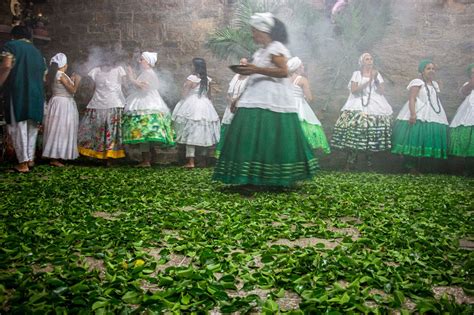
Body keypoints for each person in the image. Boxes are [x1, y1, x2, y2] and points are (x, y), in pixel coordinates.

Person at [213, 12, 318, 187]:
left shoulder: (276, 48)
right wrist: (237, 98)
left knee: (267, 137)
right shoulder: (261, 51)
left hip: (272, 100)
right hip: (254, 98)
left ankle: (272, 178)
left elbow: (284, 72)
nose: (253, 34)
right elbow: (253, 77)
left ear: (264, 31)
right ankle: (250, 177)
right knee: (250, 136)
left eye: (255, 31)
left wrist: (256, 69)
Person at [331, 52, 393, 169]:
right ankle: (350, 163)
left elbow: (381, 91)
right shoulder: (357, 74)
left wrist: (375, 80)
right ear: (362, 62)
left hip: (375, 105)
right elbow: (354, 90)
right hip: (357, 103)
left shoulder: (377, 74)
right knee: (355, 131)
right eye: (367, 59)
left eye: (371, 59)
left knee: (371, 132)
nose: (370, 61)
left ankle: (369, 164)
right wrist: (368, 81)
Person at [0, 26, 46, 173]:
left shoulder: (11, 46)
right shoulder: (38, 52)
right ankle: (30, 159)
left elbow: (6, 65)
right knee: (31, 127)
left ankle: (22, 163)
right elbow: (44, 77)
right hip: (36, 94)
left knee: (17, 126)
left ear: (13, 36)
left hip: (18, 91)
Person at [392, 59, 449, 173]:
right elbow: (412, 98)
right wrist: (413, 114)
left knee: (427, 139)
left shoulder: (435, 84)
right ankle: (410, 166)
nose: (431, 71)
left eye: (433, 69)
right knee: (414, 138)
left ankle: (423, 167)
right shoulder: (417, 82)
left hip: (432, 114)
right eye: (428, 69)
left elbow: (433, 100)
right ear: (422, 71)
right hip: (419, 112)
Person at [123, 52, 175, 167]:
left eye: (141, 59)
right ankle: (147, 159)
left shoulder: (149, 73)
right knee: (144, 132)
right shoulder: (146, 73)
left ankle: (146, 160)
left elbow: (144, 87)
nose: (139, 61)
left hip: (147, 102)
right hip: (144, 100)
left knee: (145, 131)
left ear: (148, 61)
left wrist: (131, 78)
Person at [172, 57, 220, 168]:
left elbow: (184, 94)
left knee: (190, 132)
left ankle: (191, 161)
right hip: (205, 104)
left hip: (192, 104)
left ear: (195, 66)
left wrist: (184, 91)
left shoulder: (192, 78)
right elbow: (209, 95)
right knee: (203, 132)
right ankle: (202, 161)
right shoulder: (207, 79)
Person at [77, 56, 127, 164]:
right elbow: (92, 88)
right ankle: (95, 154)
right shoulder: (95, 71)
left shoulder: (119, 70)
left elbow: (125, 85)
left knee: (111, 131)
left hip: (113, 103)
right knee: (96, 130)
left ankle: (110, 156)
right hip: (97, 103)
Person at [42, 53, 81, 166]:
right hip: (63, 104)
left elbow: (65, 86)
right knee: (61, 129)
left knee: (56, 128)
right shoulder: (61, 74)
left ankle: (57, 155)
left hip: (57, 102)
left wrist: (71, 79)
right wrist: (77, 81)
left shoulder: (54, 74)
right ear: (65, 64)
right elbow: (73, 90)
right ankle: (55, 158)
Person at [288, 57, 330, 154]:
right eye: (301, 65)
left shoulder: (285, 79)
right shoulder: (302, 80)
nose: (303, 66)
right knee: (305, 127)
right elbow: (310, 98)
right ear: (297, 67)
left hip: (288, 105)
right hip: (300, 106)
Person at [215, 57, 249, 158]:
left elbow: (246, 93)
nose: (241, 65)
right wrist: (230, 102)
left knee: (239, 129)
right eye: (240, 63)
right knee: (227, 127)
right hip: (230, 106)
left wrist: (236, 102)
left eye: (244, 64)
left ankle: (238, 155)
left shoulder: (249, 79)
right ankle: (224, 154)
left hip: (242, 106)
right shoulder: (236, 76)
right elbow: (229, 93)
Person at [448, 63, 474, 169]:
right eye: (472, 72)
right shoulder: (467, 84)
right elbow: (463, 92)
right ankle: (469, 168)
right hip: (468, 113)